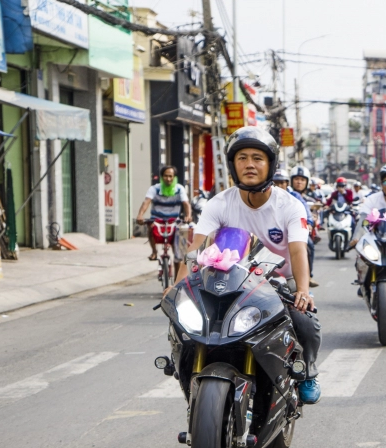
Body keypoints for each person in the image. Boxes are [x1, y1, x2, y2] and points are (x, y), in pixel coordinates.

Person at [173, 127, 322, 405]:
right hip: (229, 282)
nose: (249, 164)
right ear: (233, 164)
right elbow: (195, 248)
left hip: (277, 284)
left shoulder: (290, 206)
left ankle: (308, 371)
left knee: (306, 323)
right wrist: (178, 285)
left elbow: (298, 250)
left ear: (270, 165)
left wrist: (302, 289)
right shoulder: (219, 203)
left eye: (257, 158)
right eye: (242, 158)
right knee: (184, 324)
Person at [136, 165, 192, 272]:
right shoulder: (154, 189)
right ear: (162, 177)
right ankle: (154, 252)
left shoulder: (179, 189)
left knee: (178, 251)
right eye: (166, 176)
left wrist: (188, 216)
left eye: (171, 176)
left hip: (174, 220)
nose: (168, 179)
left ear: (174, 177)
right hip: (157, 219)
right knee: (150, 227)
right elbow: (146, 202)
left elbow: (186, 204)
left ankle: (177, 280)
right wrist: (140, 215)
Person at [274, 169, 320, 287]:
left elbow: (305, 212)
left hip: (292, 229)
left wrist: (309, 223)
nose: (279, 186)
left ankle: (308, 276)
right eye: (276, 182)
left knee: (308, 245)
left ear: (287, 183)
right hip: (272, 231)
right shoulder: (266, 196)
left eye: (282, 183)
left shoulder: (294, 196)